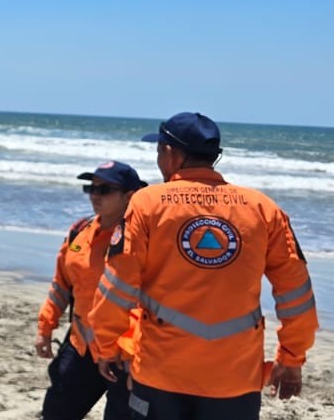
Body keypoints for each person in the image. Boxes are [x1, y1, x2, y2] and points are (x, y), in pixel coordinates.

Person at [87, 112, 318, 420]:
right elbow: (296, 292)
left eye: (159, 150)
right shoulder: (263, 208)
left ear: (170, 152)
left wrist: (105, 345)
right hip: (235, 378)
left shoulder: (147, 203)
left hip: (161, 372)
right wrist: (292, 357)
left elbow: (118, 285)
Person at [35, 161, 145, 420]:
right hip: (81, 346)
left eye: (105, 190)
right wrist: (45, 327)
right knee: (55, 413)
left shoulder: (141, 239)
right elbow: (61, 284)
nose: (95, 195)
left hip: (123, 352)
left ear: (129, 195)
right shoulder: (79, 232)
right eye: (91, 188)